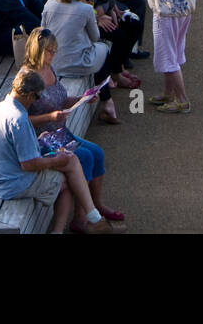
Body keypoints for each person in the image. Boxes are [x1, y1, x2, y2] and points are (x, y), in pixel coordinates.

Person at [0, 69, 113, 234]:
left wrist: (39, 142)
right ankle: (76, 225)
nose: (35, 101)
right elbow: (28, 165)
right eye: (37, 97)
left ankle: (92, 217)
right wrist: (57, 161)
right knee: (66, 179)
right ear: (29, 95)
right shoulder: (19, 119)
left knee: (70, 160)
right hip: (12, 183)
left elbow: (13, 147)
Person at [21, 29, 125, 229]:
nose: (53, 54)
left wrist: (81, 99)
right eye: (50, 51)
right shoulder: (27, 79)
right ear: (38, 50)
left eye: (54, 50)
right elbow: (21, 121)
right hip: (39, 140)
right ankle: (80, 216)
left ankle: (97, 204)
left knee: (97, 152)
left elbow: (61, 100)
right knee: (84, 156)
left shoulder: (50, 69)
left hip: (60, 133)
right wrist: (49, 117)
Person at [41, 0, 130, 125]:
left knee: (97, 52)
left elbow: (43, 32)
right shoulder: (86, 9)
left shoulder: (49, 4)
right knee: (103, 49)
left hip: (52, 63)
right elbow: (95, 37)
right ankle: (107, 100)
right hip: (76, 63)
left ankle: (108, 88)